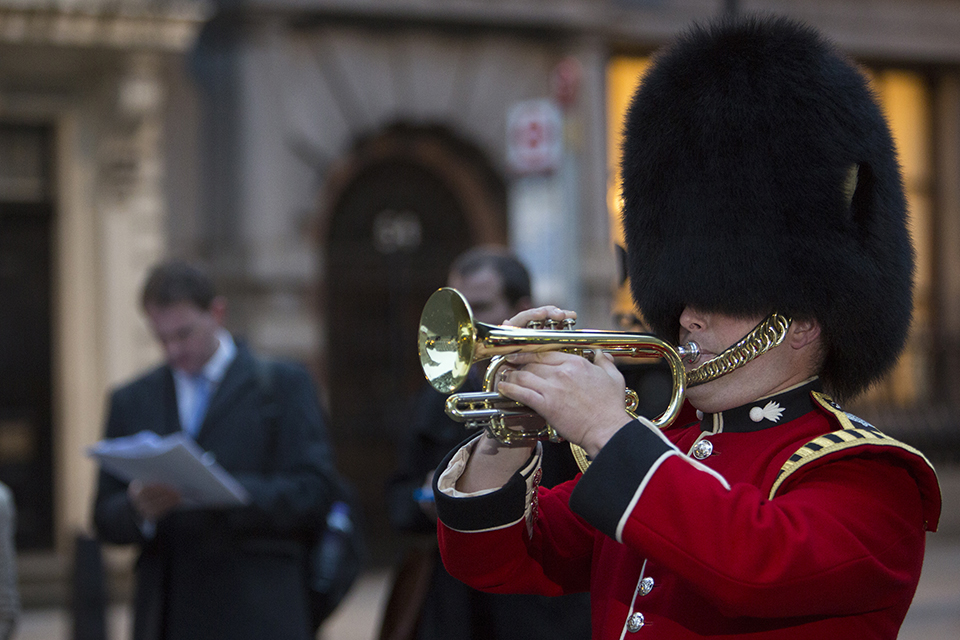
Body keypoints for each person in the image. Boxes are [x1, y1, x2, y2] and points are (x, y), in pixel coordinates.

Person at [431, 16, 942, 640]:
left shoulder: (873, 477)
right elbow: (499, 562)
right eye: (683, 293)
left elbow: (752, 564)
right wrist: (508, 436)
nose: (685, 316)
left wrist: (602, 426)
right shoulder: (663, 449)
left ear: (803, 322)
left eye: (722, 296)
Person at [93, 260, 339, 640]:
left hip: (261, 609)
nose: (173, 350)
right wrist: (138, 508)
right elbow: (103, 516)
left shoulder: (282, 387)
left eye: (184, 334)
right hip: (169, 612)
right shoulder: (132, 400)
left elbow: (316, 492)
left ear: (217, 313)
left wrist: (227, 492)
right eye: (161, 338)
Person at [383, 245, 591, 640]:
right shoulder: (434, 399)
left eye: (479, 308)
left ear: (523, 306)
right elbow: (396, 500)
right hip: (454, 605)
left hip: (539, 610)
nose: (466, 326)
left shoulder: (565, 387)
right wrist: (426, 497)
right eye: (459, 311)